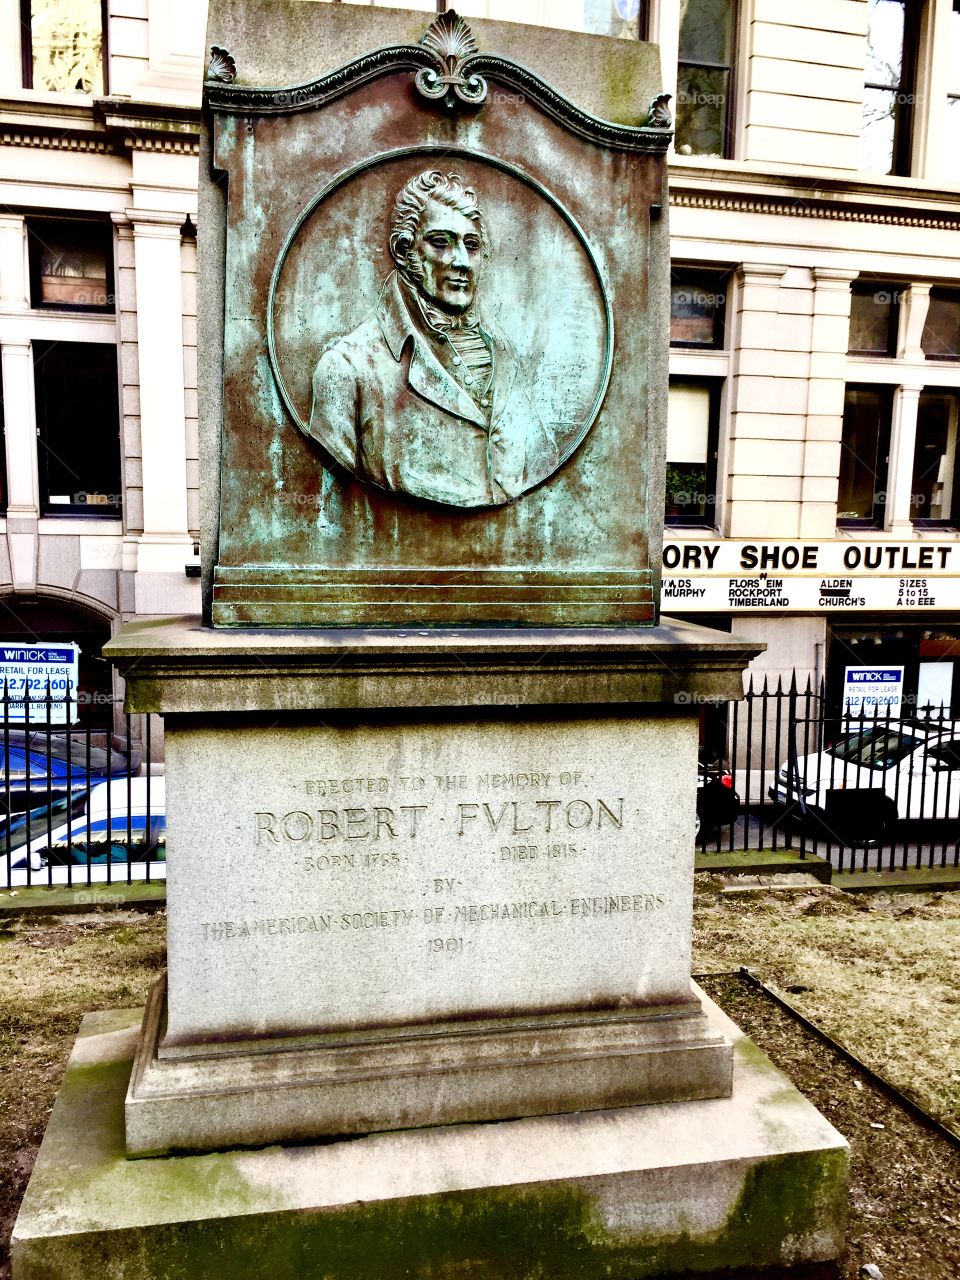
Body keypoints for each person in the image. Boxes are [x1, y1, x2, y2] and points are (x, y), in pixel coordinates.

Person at [308, 170, 558, 507]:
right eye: (441, 242)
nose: (461, 262)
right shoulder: (347, 370)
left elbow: (541, 465)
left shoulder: (503, 357)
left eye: (472, 246)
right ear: (403, 251)